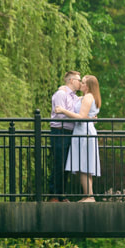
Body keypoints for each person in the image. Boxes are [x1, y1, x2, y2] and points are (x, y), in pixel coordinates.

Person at [55, 74, 101, 202]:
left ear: (88, 86)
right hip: (84, 130)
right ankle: (88, 195)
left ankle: (90, 196)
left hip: (83, 132)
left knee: (83, 165)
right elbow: (86, 113)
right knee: (85, 165)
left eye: (84, 82)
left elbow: (81, 116)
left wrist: (63, 110)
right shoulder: (86, 97)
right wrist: (62, 88)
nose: (81, 84)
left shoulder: (88, 97)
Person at [48, 71, 82, 201]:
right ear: (71, 80)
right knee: (58, 164)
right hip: (60, 131)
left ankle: (62, 194)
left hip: (69, 132)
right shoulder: (61, 94)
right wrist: (77, 117)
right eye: (79, 80)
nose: (80, 83)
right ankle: (53, 195)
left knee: (66, 165)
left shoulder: (73, 96)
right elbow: (60, 114)